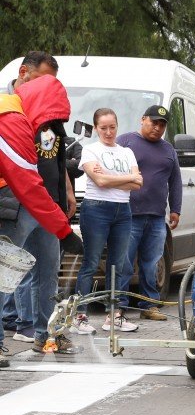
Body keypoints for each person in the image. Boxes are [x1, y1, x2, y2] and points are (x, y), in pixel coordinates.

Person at [0, 75, 84, 365]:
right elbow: (25, 180)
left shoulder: (43, 122)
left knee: (48, 273)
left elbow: (57, 166)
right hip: (18, 204)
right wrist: (63, 229)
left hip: (46, 207)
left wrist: (63, 202)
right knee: (4, 274)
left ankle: (47, 335)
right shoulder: (11, 120)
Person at [71, 108, 142, 334]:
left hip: (123, 210)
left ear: (117, 126)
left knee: (118, 265)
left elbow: (137, 184)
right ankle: (79, 316)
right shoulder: (91, 150)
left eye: (112, 127)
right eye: (103, 128)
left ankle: (114, 315)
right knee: (90, 263)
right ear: (96, 128)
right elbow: (99, 181)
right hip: (96, 209)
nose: (109, 132)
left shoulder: (127, 152)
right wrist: (128, 177)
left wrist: (118, 179)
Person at [116, 105, 183, 321]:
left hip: (156, 217)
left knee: (151, 264)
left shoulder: (168, 150)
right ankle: (119, 307)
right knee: (124, 263)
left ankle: (149, 305)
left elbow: (176, 182)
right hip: (128, 215)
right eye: (154, 122)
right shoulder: (125, 142)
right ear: (143, 119)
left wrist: (175, 209)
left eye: (162, 124)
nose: (157, 127)